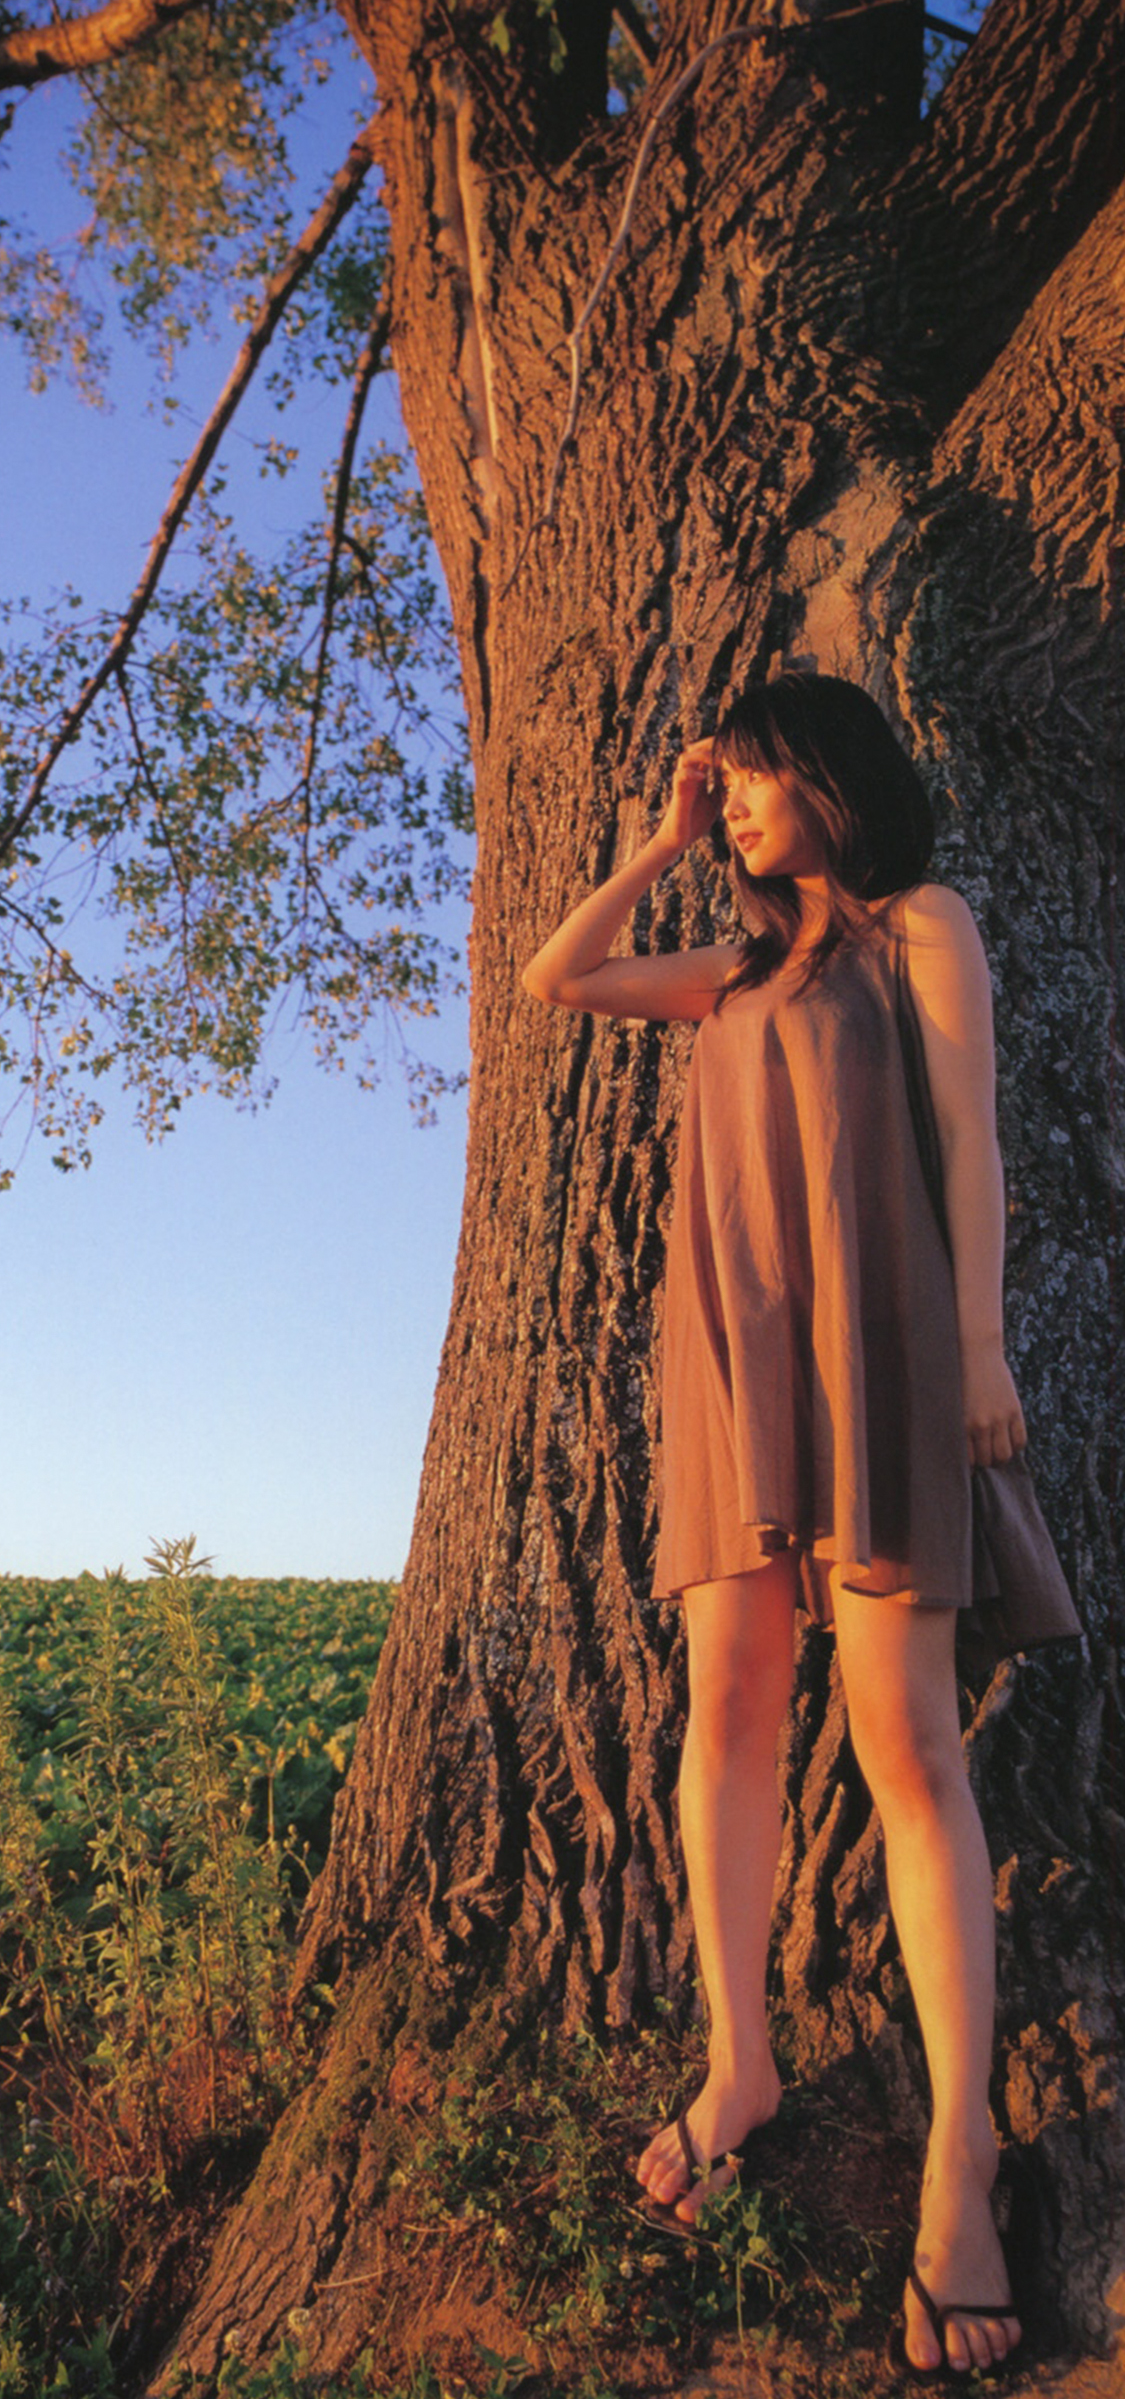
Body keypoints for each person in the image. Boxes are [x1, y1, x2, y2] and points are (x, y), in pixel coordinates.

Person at [522, 673, 1080, 2379]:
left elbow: (971, 1142)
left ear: (832, 779)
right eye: (734, 785)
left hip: (883, 1354)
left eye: (760, 779)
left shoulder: (920, 927)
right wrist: (660, 840)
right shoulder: (733, 969)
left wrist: (979, 1349)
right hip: (732, 1371)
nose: (742, 807)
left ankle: (959, 2154)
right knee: (732, 1711)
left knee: (907, 1744)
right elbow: (558, 979)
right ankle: (740, 2061)